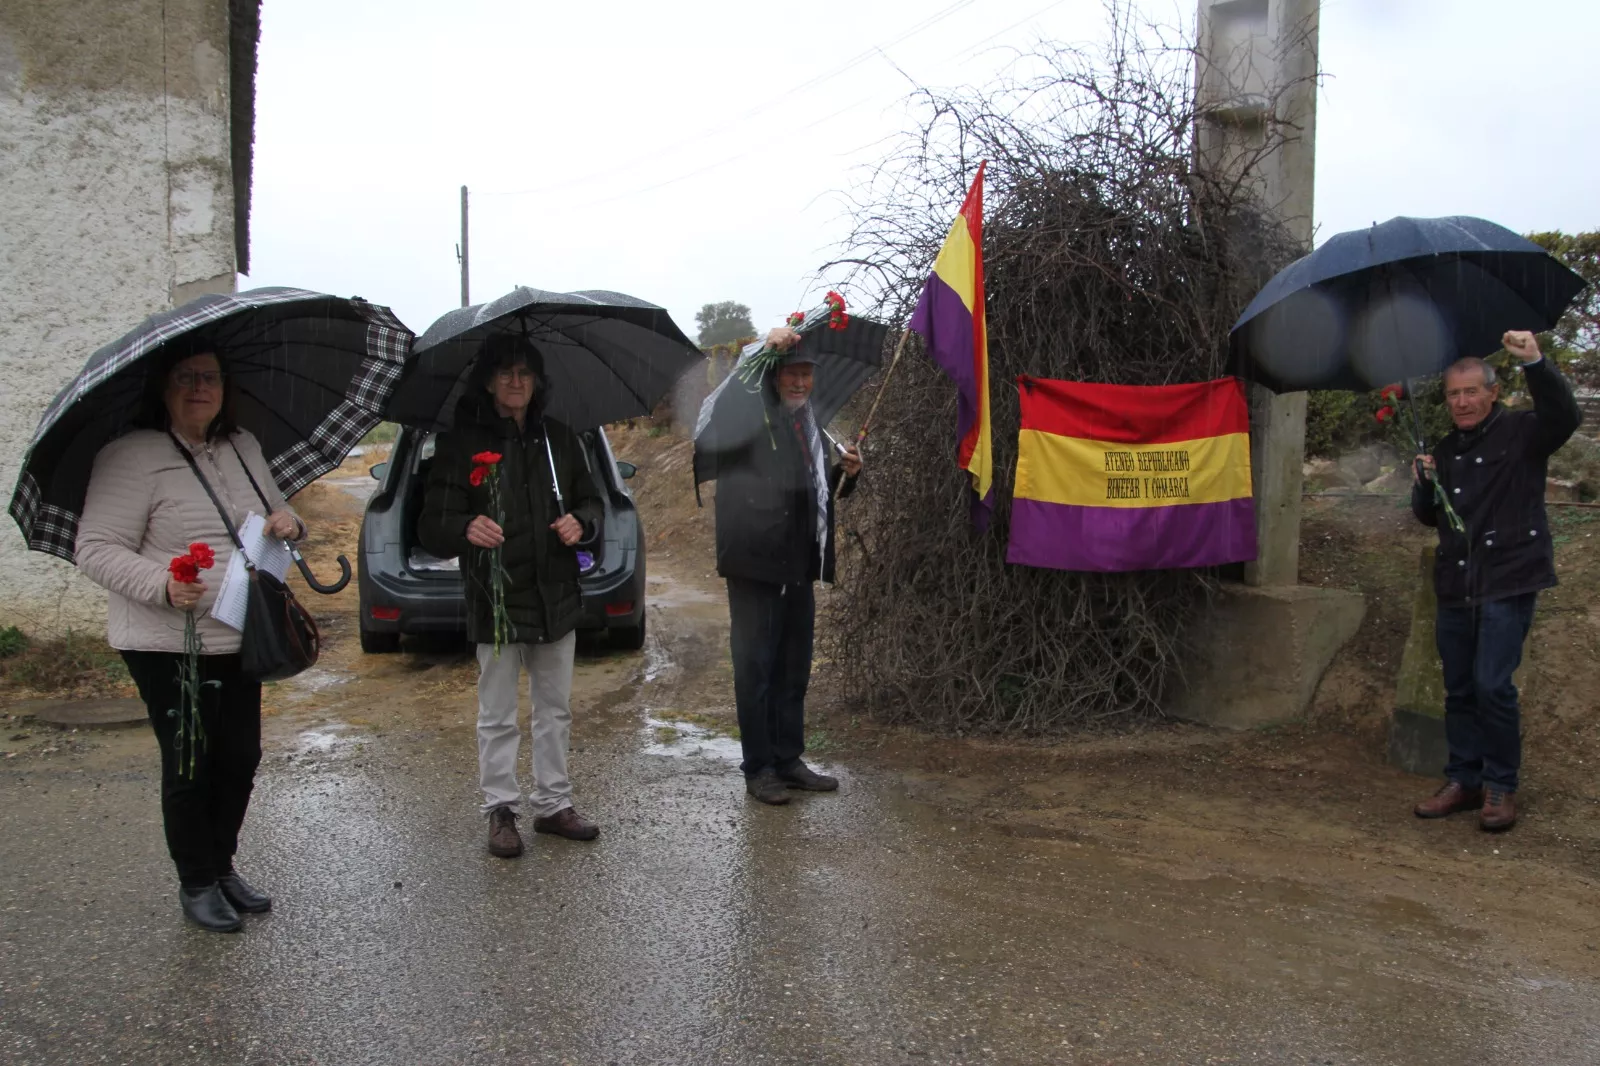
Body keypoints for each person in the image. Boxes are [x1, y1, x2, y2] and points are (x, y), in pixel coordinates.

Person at [75, 346, 306, 933]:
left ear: (224, 387)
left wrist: (290, 522)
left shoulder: (243, 446)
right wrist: (161, 583)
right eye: (184, 378)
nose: (198, 388)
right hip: (166, 641)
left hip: (240, 631)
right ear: (162, 387)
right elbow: (95, 547)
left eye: (209, 378)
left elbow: (276, 512)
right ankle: (197, 881)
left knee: (240, 757)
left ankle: (222, 865)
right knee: (190, 763)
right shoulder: (130, 457)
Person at [417, 334, 605, 857]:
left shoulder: (560, 440)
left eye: (524, 373)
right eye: (505, 373)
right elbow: (431, 525)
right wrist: (465, 526)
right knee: (497, 712)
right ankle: (501, 809)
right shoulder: (460, 443)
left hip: (555, 595)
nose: (516, 382)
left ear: (537, 381)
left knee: (555, 708)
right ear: (488, 381)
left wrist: (581, 523)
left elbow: (593, 502)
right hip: (495, 597)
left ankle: (553, 805)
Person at [1410, 329, 1581, 831]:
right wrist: (1423, 484)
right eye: (1453, 394)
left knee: (1492, 685)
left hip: (1508, 579)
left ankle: (1501, 785)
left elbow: (1565, 417)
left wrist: (1535, 362)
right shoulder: (1442, 448)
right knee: (1460, 688)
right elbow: (1429, 518)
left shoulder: (1525, 431)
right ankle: (1464, 780)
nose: (1461, 402)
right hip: (1456, 583)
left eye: (1470, 392)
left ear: (1492, 392)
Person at [709, 325, 864, 805]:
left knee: (793, 665)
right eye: (791, 375)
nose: (800, 384)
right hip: (754, 563)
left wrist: (845, 473)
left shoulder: (810, 425)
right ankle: (759, 767)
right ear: (774, 377)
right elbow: (726, 412)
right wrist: (760, 355)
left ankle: (788, 757)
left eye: (806, 375)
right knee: (754, 667)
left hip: (797, 561)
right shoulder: (748, 417)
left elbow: (811, 492)